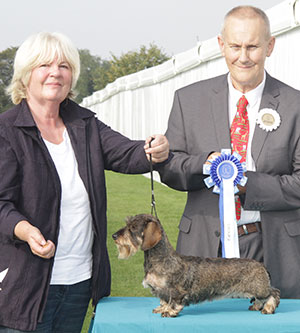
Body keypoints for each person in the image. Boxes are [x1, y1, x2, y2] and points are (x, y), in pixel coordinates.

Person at [0, 32, 170, 332]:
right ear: (26, 74)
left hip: (79, 283)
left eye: (64, 66)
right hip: (26, 285)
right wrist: (24, 230)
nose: (56, 72)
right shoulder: (7, 131)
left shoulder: (85, 124)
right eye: (45, 65)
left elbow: (127, 153)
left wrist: (153, 148)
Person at [159, 5, 300, 299]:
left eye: (253, 46)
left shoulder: (295, 105)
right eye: (235, 46)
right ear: (221, 45)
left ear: (270, 46)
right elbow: (170, 168)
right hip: (202, 250)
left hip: (271, 248)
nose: (243, 57)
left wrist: (246, 181)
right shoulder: (188, 100)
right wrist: (206, 165)